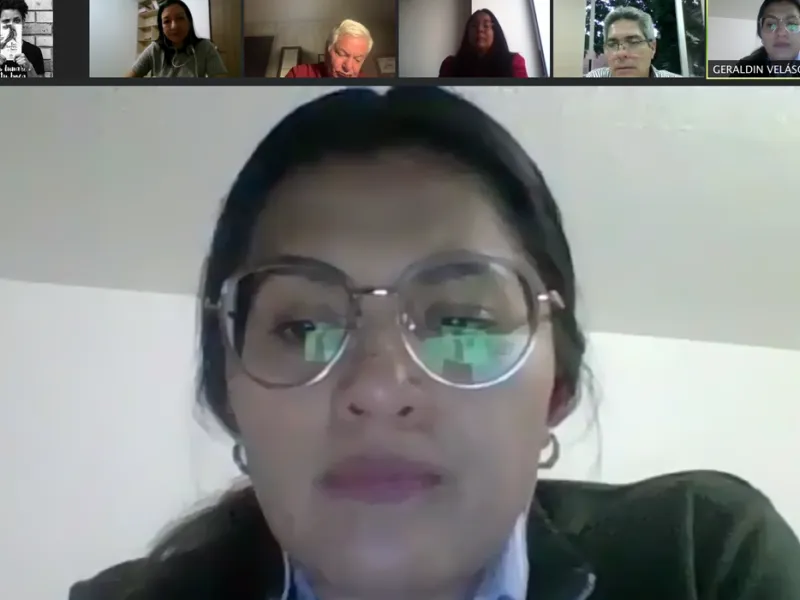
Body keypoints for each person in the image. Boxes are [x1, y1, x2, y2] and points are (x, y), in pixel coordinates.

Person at [69, 87, 800, 600]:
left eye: (462, 325)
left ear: (555, 391)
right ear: (231, 397)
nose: (377, 389)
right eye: (304, 328)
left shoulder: (701, 561)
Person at [126, 0, 226, 78]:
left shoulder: (205, 47)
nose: (174, 26)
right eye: (166, 21)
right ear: (161, 28)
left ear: (189, 21)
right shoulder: (154, 49)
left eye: (180, 18)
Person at [585, 7, 681, 78]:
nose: (621, 53)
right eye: (612, 44)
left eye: (633, 43)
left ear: (652, 48)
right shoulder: (591, 84)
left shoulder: (679, 89)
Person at [439, 9, 528, 77]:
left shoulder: (514, 62)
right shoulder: (450, 65)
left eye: (486, 25)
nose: (480, 29)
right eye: (474, 25)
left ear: (495, 32)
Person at [285, 19, 372, 78]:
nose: (348, 67)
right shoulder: (298, 74)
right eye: (342, 54)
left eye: (357, 59)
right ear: (327, 50)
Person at [734, 0, 800, 76]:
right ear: (761, 33)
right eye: (771, 25)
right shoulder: (743, 70)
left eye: (792, 24)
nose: (781, 33)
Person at [0, 0, 43, 78]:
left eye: (16, 21)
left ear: (23, 22)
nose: (12, 25)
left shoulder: (34, 51)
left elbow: (42, 85)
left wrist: (29, 67)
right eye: (6, 21)